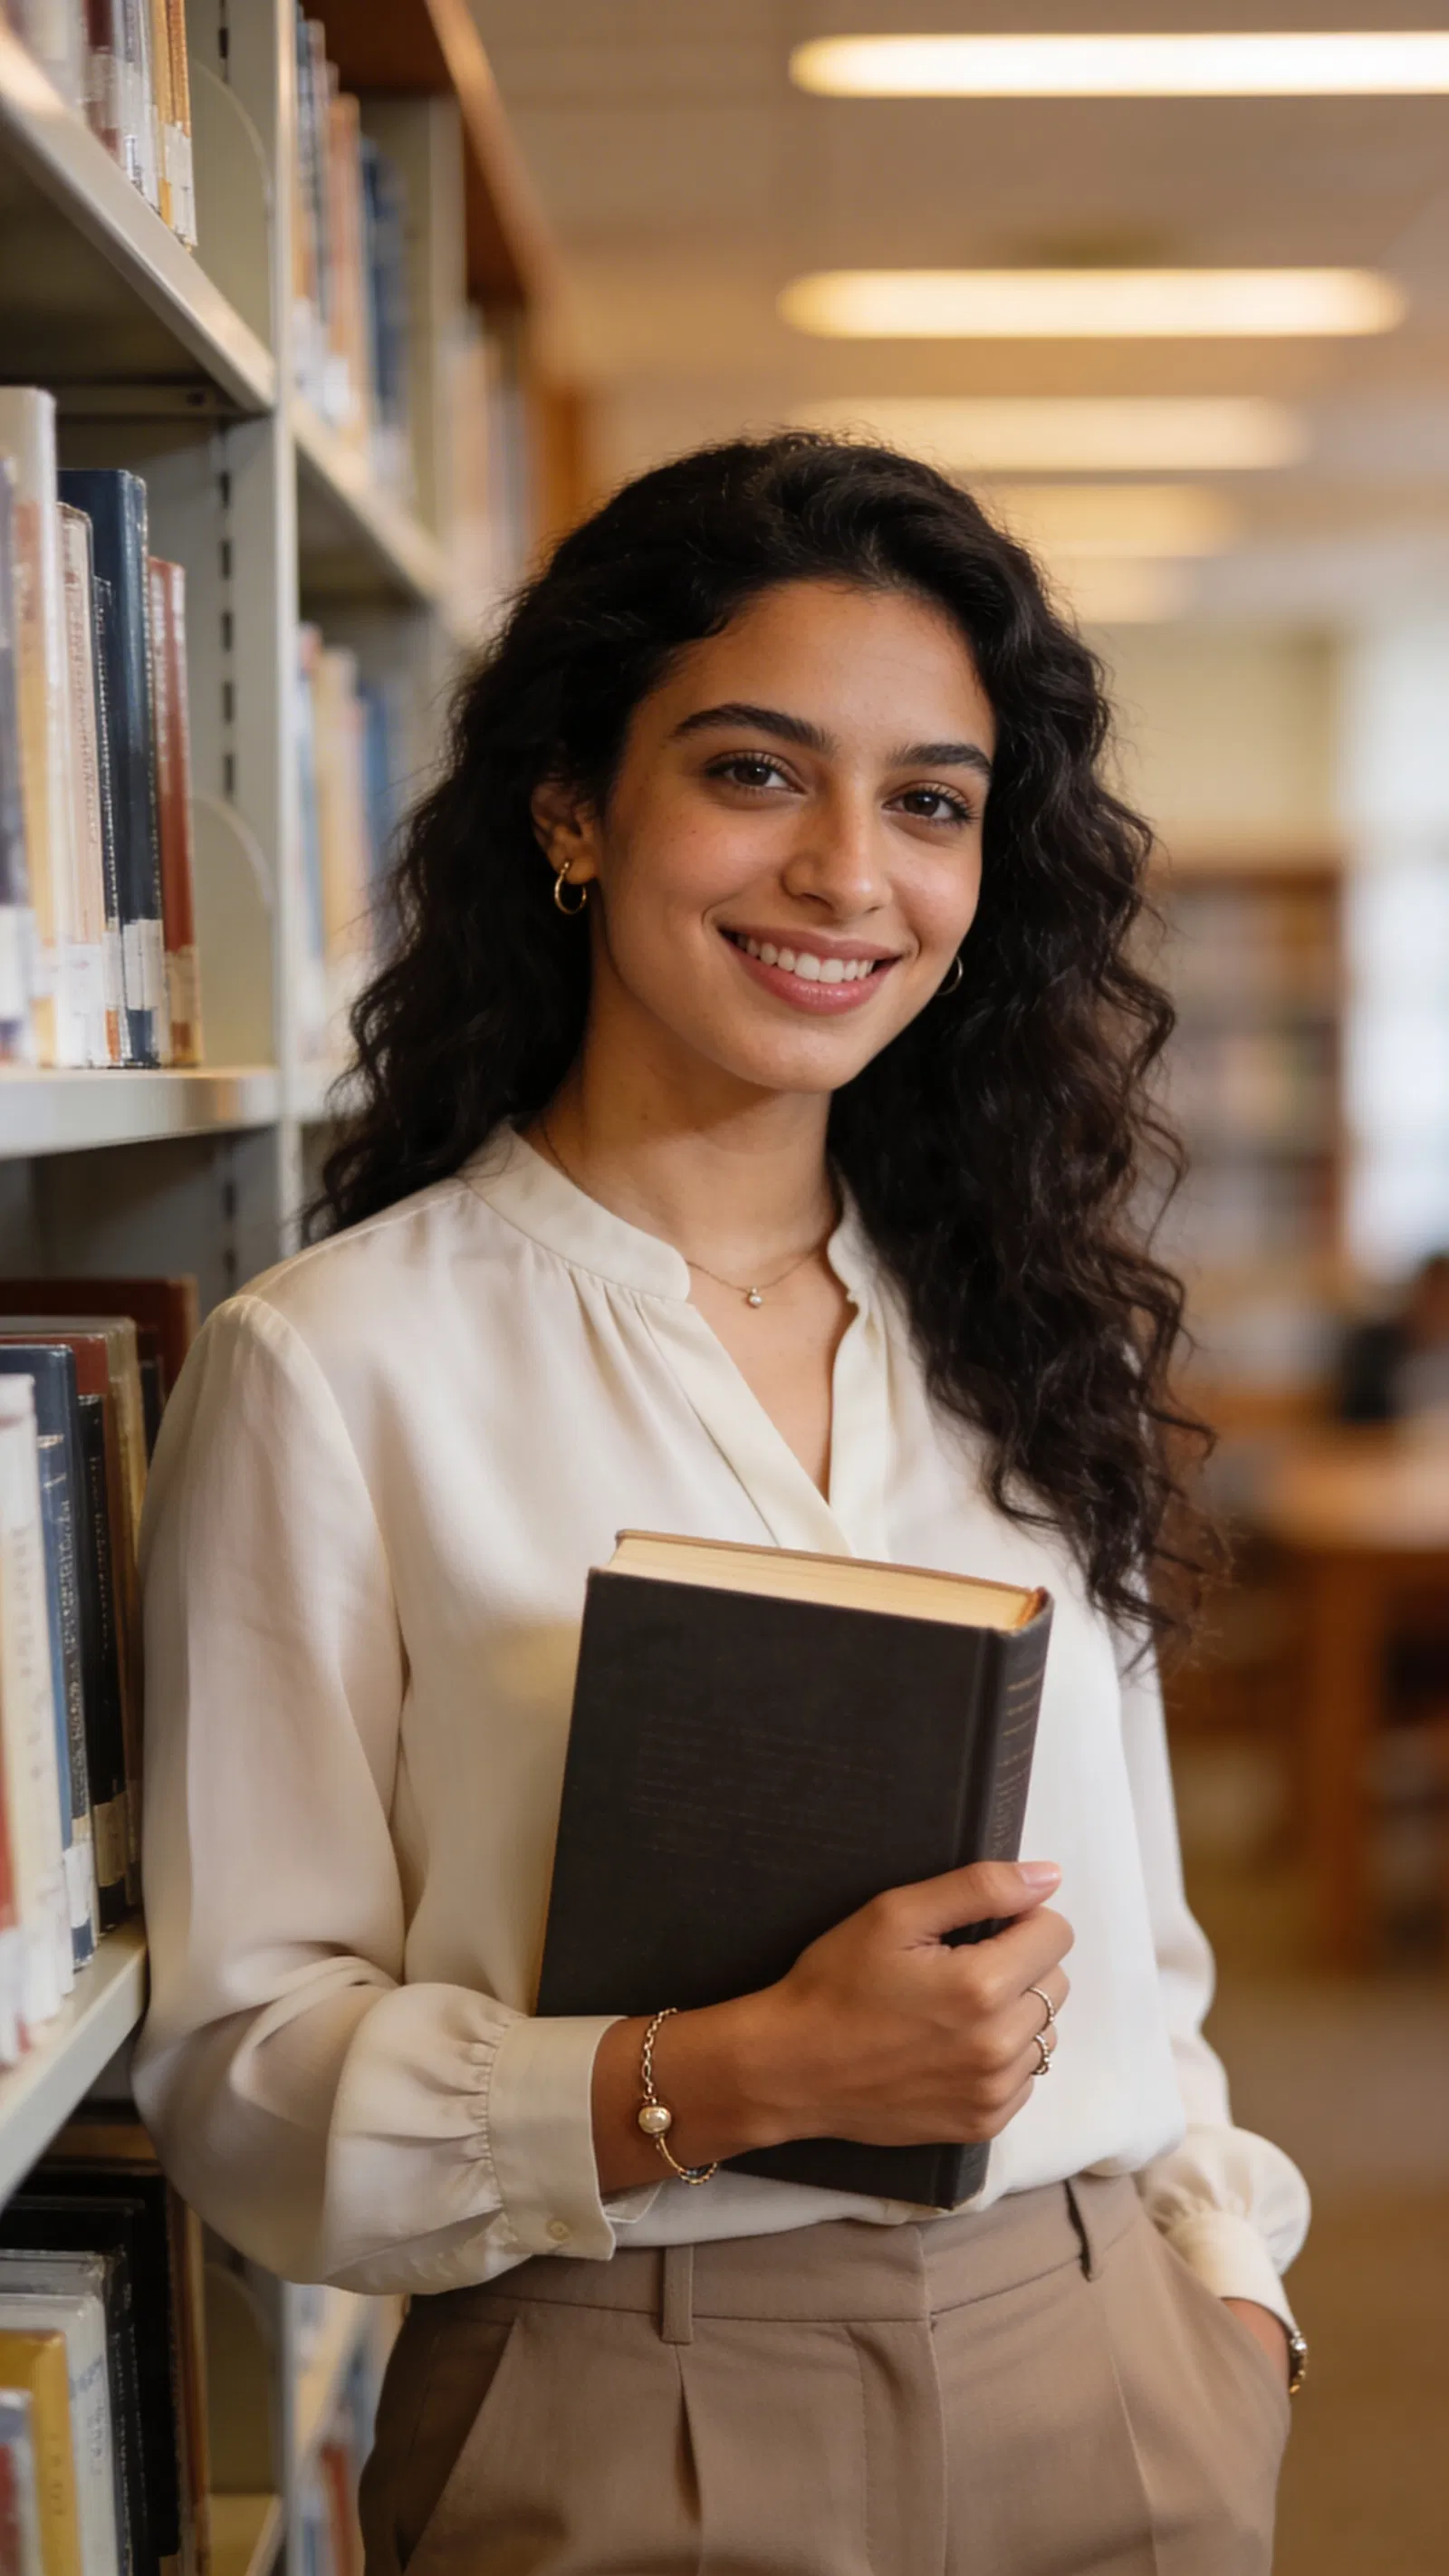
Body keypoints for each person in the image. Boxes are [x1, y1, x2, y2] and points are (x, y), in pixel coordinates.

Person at [134, 436, 1310, 2575]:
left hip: (1110, 2370)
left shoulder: (1022, 1336)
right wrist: (733, 2074)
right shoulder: (337, 1366)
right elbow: (240, 2079)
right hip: (624, 2385)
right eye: (756, 773)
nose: (849, 874)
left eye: (929, 802)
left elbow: (1145, 1958)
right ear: (572, 806)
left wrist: (1228, 2304)